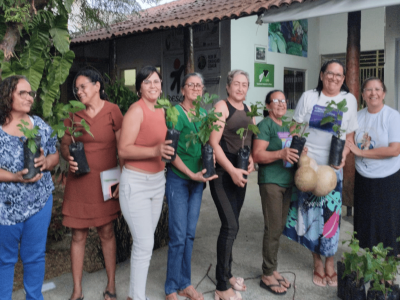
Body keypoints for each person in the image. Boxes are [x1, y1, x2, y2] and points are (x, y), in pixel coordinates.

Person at [282, 59, 358, 287]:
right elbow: (294, 127)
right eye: (330, 73)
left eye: (339, 75)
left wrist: (344, 156)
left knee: (332, 216)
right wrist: (298, 145)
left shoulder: (349, 100)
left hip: (333, 166)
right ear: (322, 75)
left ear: (343, 79)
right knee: (311, 213)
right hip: (309, 164)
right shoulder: (309, 97)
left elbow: (351, 136)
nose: (334, 78)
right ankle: (316, 260)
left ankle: (330, 262)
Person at [61, 68, 124, 300]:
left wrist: (123, 178)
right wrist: (68, 157)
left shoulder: (113, 111)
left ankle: (111, 285)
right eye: (76, 89)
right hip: (79, 183)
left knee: (107, 232)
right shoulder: (73, 114)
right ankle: (77, 290)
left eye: (83, 86)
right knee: (78, 236)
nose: (79, 92)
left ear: (97, 86)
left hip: (106, 182)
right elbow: (65, 144)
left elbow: (123, 148)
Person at [118, 66, 174, 300]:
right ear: (139, 87)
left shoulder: (163, 109)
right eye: (148, 82)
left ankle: (134, 295)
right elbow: (123, 149)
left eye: (157, 81)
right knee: (144, 243)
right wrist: (155, 150)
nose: (153, 86)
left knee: (144, 244)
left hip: (157, 182)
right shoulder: (136, 110)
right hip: (136, 184)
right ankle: (137, 297)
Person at [0, 75, 59, 300]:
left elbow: (54, 155)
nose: (29, 97)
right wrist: (15, 176)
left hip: (39, 201)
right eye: (22, 93)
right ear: (7, 96)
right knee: (5, 259)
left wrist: (47, 162)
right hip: (5, 206)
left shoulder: (39, 125)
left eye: (30, 93)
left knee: (34, 256)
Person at [164, 73, 218, 300]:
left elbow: (207, 144)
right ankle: (170, 288)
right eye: (191, 85)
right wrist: (190, 174)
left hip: (198, 181)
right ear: (183, 90)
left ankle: (185, 283)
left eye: (199, 86)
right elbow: (170, 153)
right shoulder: (175, 114)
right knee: (177, 234)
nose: (196, 89)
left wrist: (211, 160)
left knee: (189, 234)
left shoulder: (205, 114)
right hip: (179, 178)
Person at [209, 70, 255, 300]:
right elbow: (214, 144)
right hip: (223, 175)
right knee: (230, 226)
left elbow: (250, 141)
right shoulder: (222, 107)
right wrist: (232, 171)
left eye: (244, 84)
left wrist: (252, 160)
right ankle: (221, 285)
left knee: (233, 225)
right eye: (236, 84)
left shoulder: (249, 111)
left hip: (240, 173)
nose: (240, 88)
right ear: (228, 87)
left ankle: (227, 274)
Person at [252, 90, 298, 295]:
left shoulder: (286, 126)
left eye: (283, 100)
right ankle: (267, 274)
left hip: (286, 182)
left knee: (278, 227)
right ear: (268, 106)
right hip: (271, 182)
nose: (281, 103)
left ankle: (273, 268)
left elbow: (288, 152)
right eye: (276, 101)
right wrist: (280, 153)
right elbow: (257, 154)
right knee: (272, 228)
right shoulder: (265, 125)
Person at [347, 77, 400, 256]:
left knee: (388, 224)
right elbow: (349, 142)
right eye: (368, 90)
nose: (373, 93)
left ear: (383, 93)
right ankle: (371, 263)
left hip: (388, 179)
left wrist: (361, 152)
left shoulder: (392, 116)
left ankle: (387, 272)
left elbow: (394, 150)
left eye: (377, 89)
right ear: (363, 94)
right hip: (364, 179)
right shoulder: (358, 116)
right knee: (366, 223)